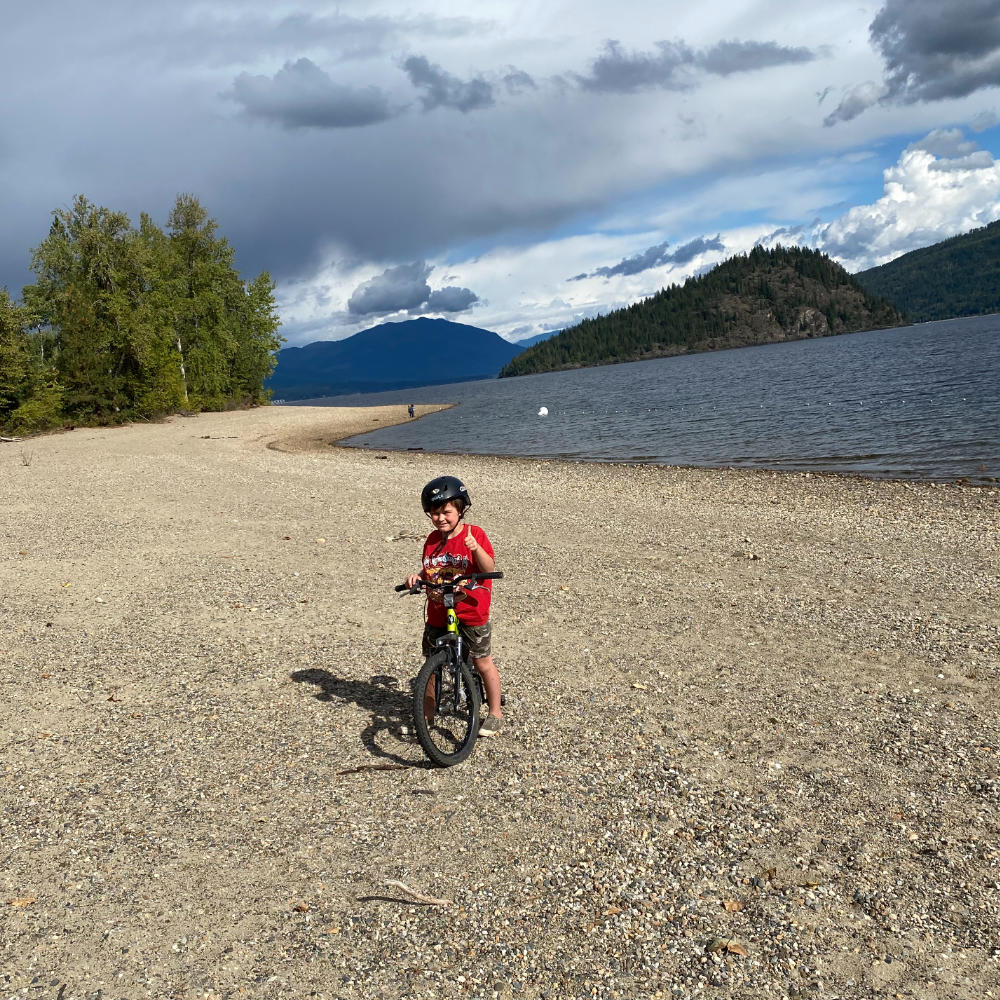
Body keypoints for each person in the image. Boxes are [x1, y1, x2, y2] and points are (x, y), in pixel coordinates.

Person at [405, 475, 503, 737]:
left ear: (460, 510)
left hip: (471, 610)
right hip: (438, 611)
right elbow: (432, 570)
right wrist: (418, 578)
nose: (440, 518)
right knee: (431, 665)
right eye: (434, 513)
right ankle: (425, 713)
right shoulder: (431, 540)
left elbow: (488, 568)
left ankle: (495, 712)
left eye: (446, 512)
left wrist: (476, 549)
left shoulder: (474, 534)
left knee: (482, 662)